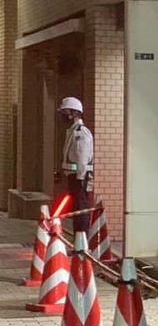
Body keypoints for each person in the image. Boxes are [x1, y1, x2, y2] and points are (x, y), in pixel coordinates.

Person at [58, 96, 94, 232]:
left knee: (80, 208)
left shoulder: (81, 132)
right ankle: (78, 237)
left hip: (80, 178)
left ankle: (81, 238)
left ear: (74, 113)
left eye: (65, 112)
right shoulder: (73, 131)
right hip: (74, 177)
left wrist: (80, 178)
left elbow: (82, 157)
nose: (63, 115)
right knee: (76, 208)